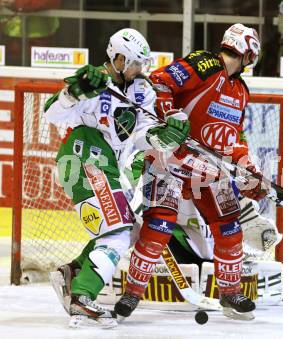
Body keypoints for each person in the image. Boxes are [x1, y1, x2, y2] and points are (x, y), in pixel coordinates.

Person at [113, 23, 268, 321]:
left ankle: (230, 292)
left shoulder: (240, 90)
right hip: (169, 158)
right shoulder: (205, 63)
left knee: (229, 226)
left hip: (208, 168)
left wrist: (249, 168)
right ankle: (132, 293)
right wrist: (171, 115)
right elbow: (158, 82)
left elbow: (233, 139)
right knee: (159, 226)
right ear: (249, 50)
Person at [44, 28, 190, 328]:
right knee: (118, 233)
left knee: (129, 230)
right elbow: (53, 115)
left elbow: (139, 135)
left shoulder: (142, 90)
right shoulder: (93, 81)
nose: (141, 69)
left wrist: (165, 137)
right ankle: (82, 297)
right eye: (136, 63)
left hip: (109, 165)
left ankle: (72, 272)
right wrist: (74, 93)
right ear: (119, 58)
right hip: (84, 157)